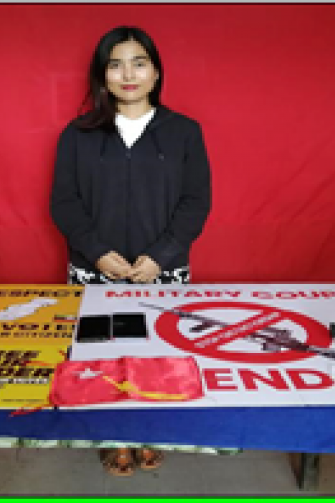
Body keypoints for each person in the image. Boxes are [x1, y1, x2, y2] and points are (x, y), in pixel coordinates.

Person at [50, 26, 217, 476]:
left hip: (161, 271)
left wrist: (162, 254)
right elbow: (64, 203)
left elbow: (196, 201)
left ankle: (150, 431)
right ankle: (113, 436)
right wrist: (96, 252)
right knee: (101, 359)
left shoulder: (184, 132)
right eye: (116, 65)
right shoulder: (77, 135)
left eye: (139, 63)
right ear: (102, 76)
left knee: (157, 356)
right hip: (94, 271)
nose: (128, 74)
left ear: (156, 72)